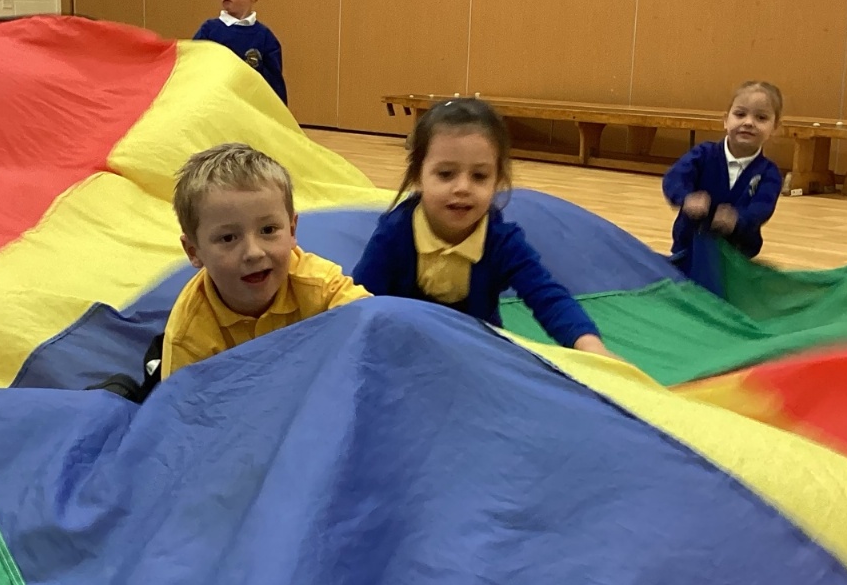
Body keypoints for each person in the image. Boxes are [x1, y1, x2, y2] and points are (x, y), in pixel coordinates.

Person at [352, 98, 611, 356]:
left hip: (476, 357)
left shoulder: (501, 241)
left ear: (497, 180)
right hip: (404, 352)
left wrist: (589, 345)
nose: (463, 188)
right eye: (445, 174)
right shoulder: (395, 234)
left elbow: (547, 296)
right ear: (418, 176)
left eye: (479, 176)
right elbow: (359, 301)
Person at [162, 143, 367, 378]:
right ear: (194, 252)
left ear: (292, 230)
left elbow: (372, 325)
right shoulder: (189, 337)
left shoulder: (318, 286)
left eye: (268, 230)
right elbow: (182, 399)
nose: (254, 253)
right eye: (228, 238)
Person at [662, 80, 785, 284]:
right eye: (740, 114)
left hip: (737, 257)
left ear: (775, 128)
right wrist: (686, 198)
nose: (748, 122)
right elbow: (674, 178)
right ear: (726, 120)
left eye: (761, 118)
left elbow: (762, 207)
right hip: (689, 248)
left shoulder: (769, 173)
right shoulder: (703, 155)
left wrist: (738, 219)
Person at [192, 0, 287, 104]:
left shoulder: (266, 39)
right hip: (214, 105)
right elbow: (192, 70)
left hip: (248, 107)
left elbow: (274, 88)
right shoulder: (208, 30)